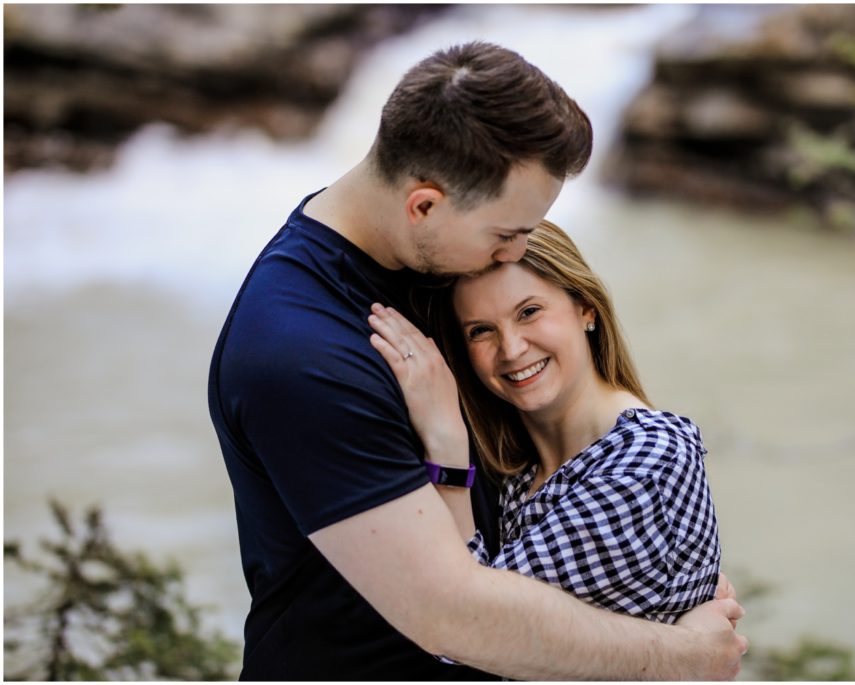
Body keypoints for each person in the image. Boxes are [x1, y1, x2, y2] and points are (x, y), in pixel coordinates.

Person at [208, 41, 746, 680]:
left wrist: (664, 567)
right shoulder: (300, 353)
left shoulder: (424, 258)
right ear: (425, 204)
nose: (518, 251)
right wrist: (680, 657)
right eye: (506, 233)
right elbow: (453, 616)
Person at [368, 219, 721, 629]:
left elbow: (472, 629)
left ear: (585, 308)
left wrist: (445, 439)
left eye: (529, 312)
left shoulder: (644, 463)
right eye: (481, 331)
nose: (512, 349)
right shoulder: (522, 472)